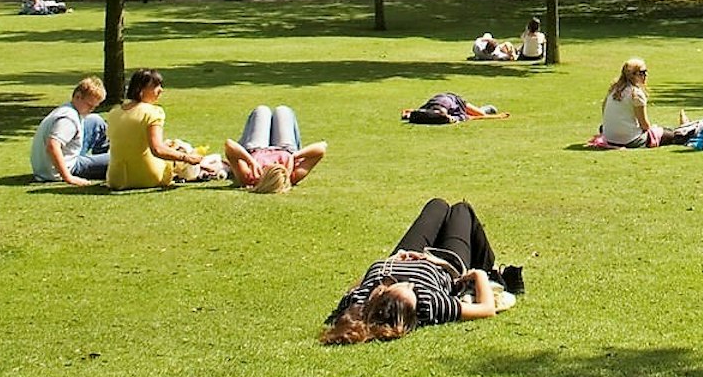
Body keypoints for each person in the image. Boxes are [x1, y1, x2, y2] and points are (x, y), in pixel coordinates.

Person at [321, 198, 522, 345]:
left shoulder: (359, 300)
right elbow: (486, 310)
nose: (411, 284)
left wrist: (394, 260)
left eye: (405, 285)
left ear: (382, 294)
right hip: (443, 262)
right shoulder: (427, 305)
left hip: (404, 255)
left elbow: (356, 292)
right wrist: (478, 275)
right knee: (461, 210)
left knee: (437, 206)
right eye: (413, 289)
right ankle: (492, 270)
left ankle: (493, 270)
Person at [105, 68, 207, 188]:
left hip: (116, 179)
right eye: (155, 86)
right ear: (140, 89)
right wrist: (186, 158)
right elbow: (157, 149)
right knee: (179, 147)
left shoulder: (114, 112)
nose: (160, 90)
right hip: (147, 176)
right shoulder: (153, 112)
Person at [223, 104, 327, 193]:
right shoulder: (292, 175)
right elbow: (321, 148)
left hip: (257, 148)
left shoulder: (249, 176)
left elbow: (229, 145)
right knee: (283, 110)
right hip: (285, 148)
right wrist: (293, 156)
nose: (273, 163)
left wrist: (251, 161)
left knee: (262, 110)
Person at [598, 58, 698, 148]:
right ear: (632, 75)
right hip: (630, 140)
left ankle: (684, 125)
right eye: (642, 72)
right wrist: (655, 129)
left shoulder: (614, 89)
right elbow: (644, 125)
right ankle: (685, 127)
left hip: (610, 137)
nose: (646, 75)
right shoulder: (636, 94)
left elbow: (604, 110)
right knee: (672, 135)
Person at [29, 76, 108, 186]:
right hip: (60, 170)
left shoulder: (66, 109)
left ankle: (101, 161)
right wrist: (69, 178)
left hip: (47, 167)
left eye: (94, 107)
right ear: (78, 96)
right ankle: (110, 168)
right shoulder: (68, 119)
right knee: (117, 159)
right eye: (89, 105)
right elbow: (52, 146)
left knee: (95, 120)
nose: (91, 109)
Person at [402, 92, 509, 125]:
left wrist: (496, 116)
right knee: (482, 113)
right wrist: (497, 117)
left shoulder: (449, 107)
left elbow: (407, 111)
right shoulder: (426, 111)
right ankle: (485, 109)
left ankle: (484, 109)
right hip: (446, 100)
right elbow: (471, 118)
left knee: (481, 113)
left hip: (456, 101)